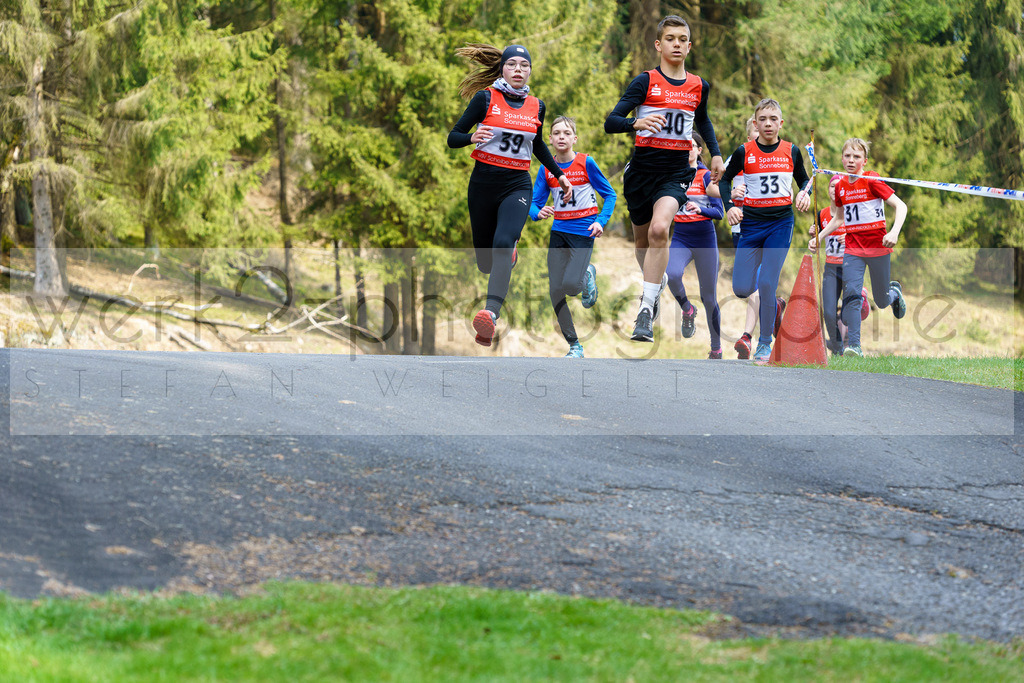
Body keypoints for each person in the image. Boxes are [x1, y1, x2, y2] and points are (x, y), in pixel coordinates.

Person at [604, 15, 723, 343]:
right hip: (641, 174)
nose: (677, 44)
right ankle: (652, 291)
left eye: (682, 39)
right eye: (670, 38)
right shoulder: (644, 82)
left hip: (675, 174)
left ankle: (645, 308)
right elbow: (611, 121)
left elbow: (705, 121)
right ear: (658, 45)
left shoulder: (698, 86)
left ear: (689, 45)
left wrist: (714, 153)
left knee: (660, 230)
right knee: (643, 243)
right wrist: (635, 124)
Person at [447, 43, 572, 347]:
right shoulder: (485, 98)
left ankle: (490, 314)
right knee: (486, 262)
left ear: (530, 70)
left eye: (524, 65)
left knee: (503, 243)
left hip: (517, 184)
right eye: (513, 64)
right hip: (483, 185)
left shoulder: (536, 106)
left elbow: (539, 145)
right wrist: (471, 137)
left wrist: (559, 174)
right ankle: (507, 258)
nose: (519, 70)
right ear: (502, 68)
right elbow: (453, 137)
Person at [719, 98, 811, 362]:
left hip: (780, 224)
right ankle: (775, 306)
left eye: (773, 119)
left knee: (767, 282)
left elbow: (804, 179)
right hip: (751, 225)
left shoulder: (791, 151)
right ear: (755, 124)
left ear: (780, 123)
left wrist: (804, 193)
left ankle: (764, 342)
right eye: (763, 119)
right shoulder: (743, 152)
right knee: (741, 288)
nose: (768, 124)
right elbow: (725, 180)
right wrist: (729, 207)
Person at [809, 138, 907, 356]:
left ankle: (894, 294)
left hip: (878, 247)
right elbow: (838, 219)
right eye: (847, 156)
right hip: (853, 248)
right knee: (852, 294)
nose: (851, 160)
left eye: (856, 157)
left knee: (881, 301)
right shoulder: (841, 186)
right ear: (842, 158)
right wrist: (819, 236)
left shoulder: (872, 180)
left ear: (865, 160)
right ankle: (854, 346)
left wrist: (894, 232)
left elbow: (901, 206)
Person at [530, 116, 617, 358]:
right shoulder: (546, 169)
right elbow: (534, 204)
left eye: (566, 133)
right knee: (555, 291)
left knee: (570, 286)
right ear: (549, 139)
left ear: (574, 138)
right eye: (556, 133)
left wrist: (601, 221)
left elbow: (610, 195)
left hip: (584, 231)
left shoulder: (586, 163)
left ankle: (587, 272)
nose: (561, 137)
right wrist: (538, 213)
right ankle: (574, 345)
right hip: (559, 232)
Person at [667, 132, 724, 358]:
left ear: (699, 150)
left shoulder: (706, 176)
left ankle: (716, 348)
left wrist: (701, 209)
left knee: (709, 297)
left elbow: (719, 211)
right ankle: (687, 310)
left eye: (691, 146)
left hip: (705, 239)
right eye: (683, 146)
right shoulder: (674, 174)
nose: (687, 149)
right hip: (681, 236)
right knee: (671, 275)